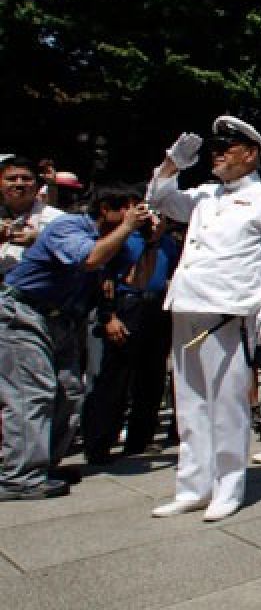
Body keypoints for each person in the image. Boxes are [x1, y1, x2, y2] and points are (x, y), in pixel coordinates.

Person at [146, 116, 261, 521]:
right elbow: (159, 199)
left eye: (227, 148)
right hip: (188, 303)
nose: (217, 154)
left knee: (227, 403)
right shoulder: (205, 195)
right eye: (214, 148)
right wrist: (171, 166)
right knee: (189, 402)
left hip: (229, 308)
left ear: (251, 153)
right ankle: (193, 486)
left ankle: (229, 485)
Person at [1, 186, 151, 499]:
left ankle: (43, 464)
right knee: (32, 393)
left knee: (68, 391)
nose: (137, 215)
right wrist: (126, 228)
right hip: (23, 311)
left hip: (62, 319)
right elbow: (89, 259)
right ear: (107, 208)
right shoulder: (68, 227)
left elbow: (134, 281)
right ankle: (18, 477)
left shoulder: (117, 241)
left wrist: (151, 240)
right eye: (131, 208)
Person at [82, 207, 181, 463]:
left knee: (151, 378)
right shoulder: (123, 240)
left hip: (156, 308)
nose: (157, 223)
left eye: (163, 218)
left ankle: (140, 440)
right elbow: (104, 280)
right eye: (153, 218)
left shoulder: (169, 244)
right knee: (114, 378)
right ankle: (100, 444)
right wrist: (109, 316)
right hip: (126, 305)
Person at [1, 156, 64, 277]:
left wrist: (41, 242)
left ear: (37, 185)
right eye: (11, 179)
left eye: (26, 178)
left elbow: (78, 259)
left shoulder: (57, 219)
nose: (19, 184)